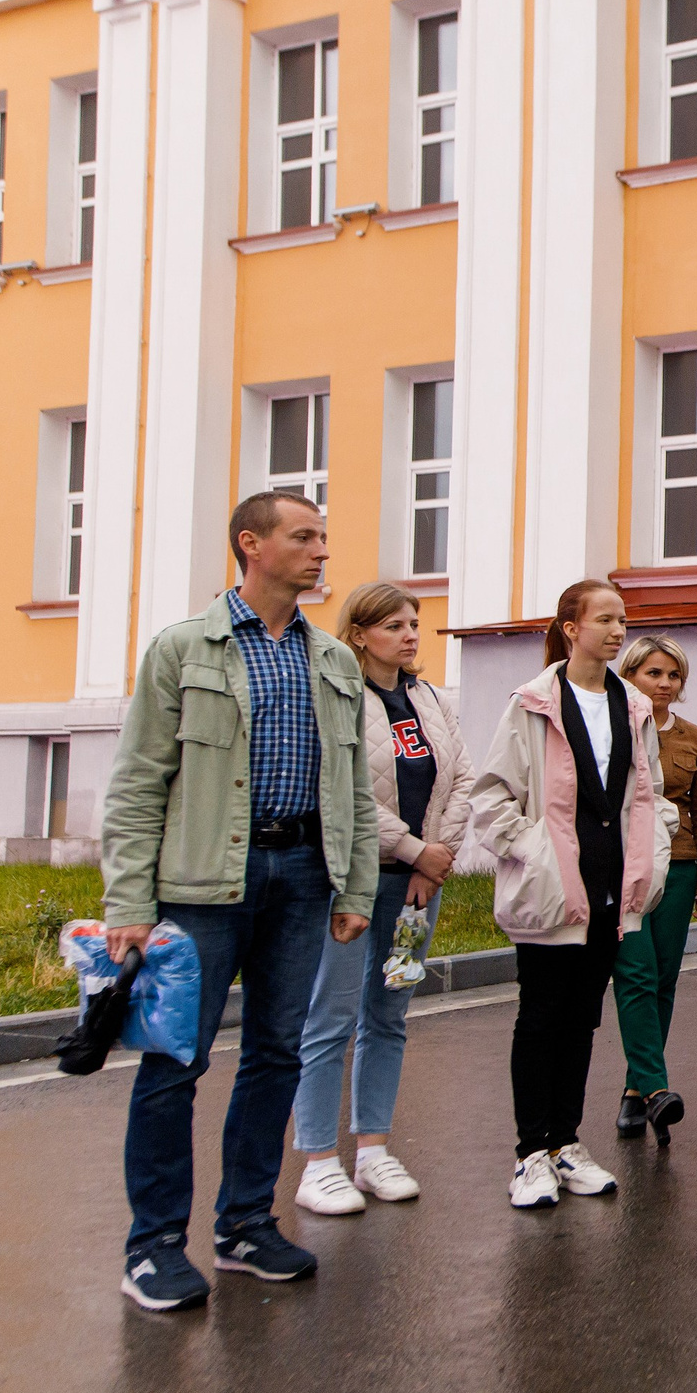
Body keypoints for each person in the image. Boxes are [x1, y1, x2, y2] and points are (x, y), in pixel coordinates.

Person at [103, 492, 379, 1310]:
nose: (321, 551)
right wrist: (129, 902)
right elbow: (137, 785)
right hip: (201, 887)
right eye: (304, 537)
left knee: (275, 1056)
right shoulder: (184, 649)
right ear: (251, 545)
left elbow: (355, 793)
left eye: (324, 537)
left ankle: (245, 1225)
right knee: (172, 1064)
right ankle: (152, 1245)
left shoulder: (331, 660)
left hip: (301, 878)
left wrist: (354, 884)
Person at [470, 580, 674, 1210]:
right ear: (569, 627)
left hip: (612, 887)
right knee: (541, 1017)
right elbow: (492, 795)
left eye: (623, 620)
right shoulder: (533, 703)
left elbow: (650, 793)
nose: (618, 632)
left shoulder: (632, 706)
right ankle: (531, 1153)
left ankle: (566, 1143)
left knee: (584, 1017)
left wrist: (653, 848)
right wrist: (531, 850)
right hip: (552, 887)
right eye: (605, 621)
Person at [292, 580, 470, 1217]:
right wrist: (412, 848)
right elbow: (342, 792)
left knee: (390, 1011)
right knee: (331, 1016)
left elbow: (462, 780)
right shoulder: (341, 697)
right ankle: (317, 1159)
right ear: (361, 634)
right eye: (395, 625)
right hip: (351, 885)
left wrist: (434, 859)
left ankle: (373, 1149)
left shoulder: (429, 697)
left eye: (414, 623)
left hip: (417, 891)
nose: (411, 634)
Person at [611, 635, 697, 1147]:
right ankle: (656, 1087)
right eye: (654, 673)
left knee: (664, 979)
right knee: (636, 972)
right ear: (631, 675)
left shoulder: (694, 738)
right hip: (626, 867)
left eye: (673, 675)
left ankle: (636, 1089)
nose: (665, 684)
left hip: (677, 867)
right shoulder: (612, 725)